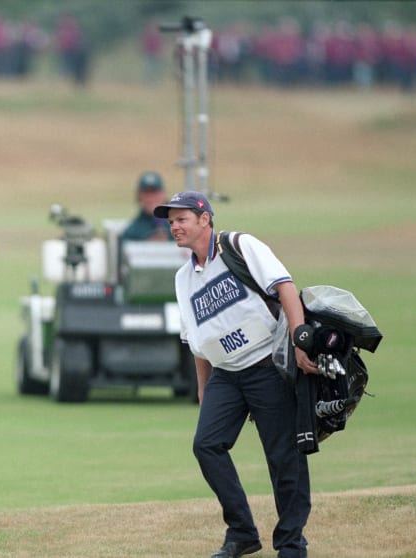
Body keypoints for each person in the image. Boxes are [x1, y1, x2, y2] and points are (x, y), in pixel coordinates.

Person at [154, 191, 318, 558]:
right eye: (171, 222)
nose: (174, 227)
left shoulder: (240, 246)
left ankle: (292, 543)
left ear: (204, 220)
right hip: (225, 375)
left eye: (181, 219)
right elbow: (196, 341)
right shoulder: (183, 278)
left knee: (283, 457)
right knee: (206, 445)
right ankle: (242, 531)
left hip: (266, 366)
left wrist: (299, 339)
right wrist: (203, 390)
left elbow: (285, 287)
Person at [119, 171, 173, 242]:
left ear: (164, 194)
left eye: (154, 192)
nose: (151, 198)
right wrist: (146, 244)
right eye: (146, 193)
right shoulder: (132, 231)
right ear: (139, 197)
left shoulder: (181, 221)